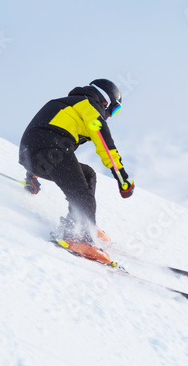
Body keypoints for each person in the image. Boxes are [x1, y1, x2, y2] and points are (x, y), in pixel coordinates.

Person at [18, 79, 134, 266]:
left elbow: (36, 138)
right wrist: (122, 179)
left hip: (31, 155)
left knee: (87, 175)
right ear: (105, 101)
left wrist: (31, 175)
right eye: (114, 110)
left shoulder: (68, 105)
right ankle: (78, 238)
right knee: (82, 195)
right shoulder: (89, 105)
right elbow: (105, 145)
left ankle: (79, 223)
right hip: (51, 147)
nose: (111, 116)